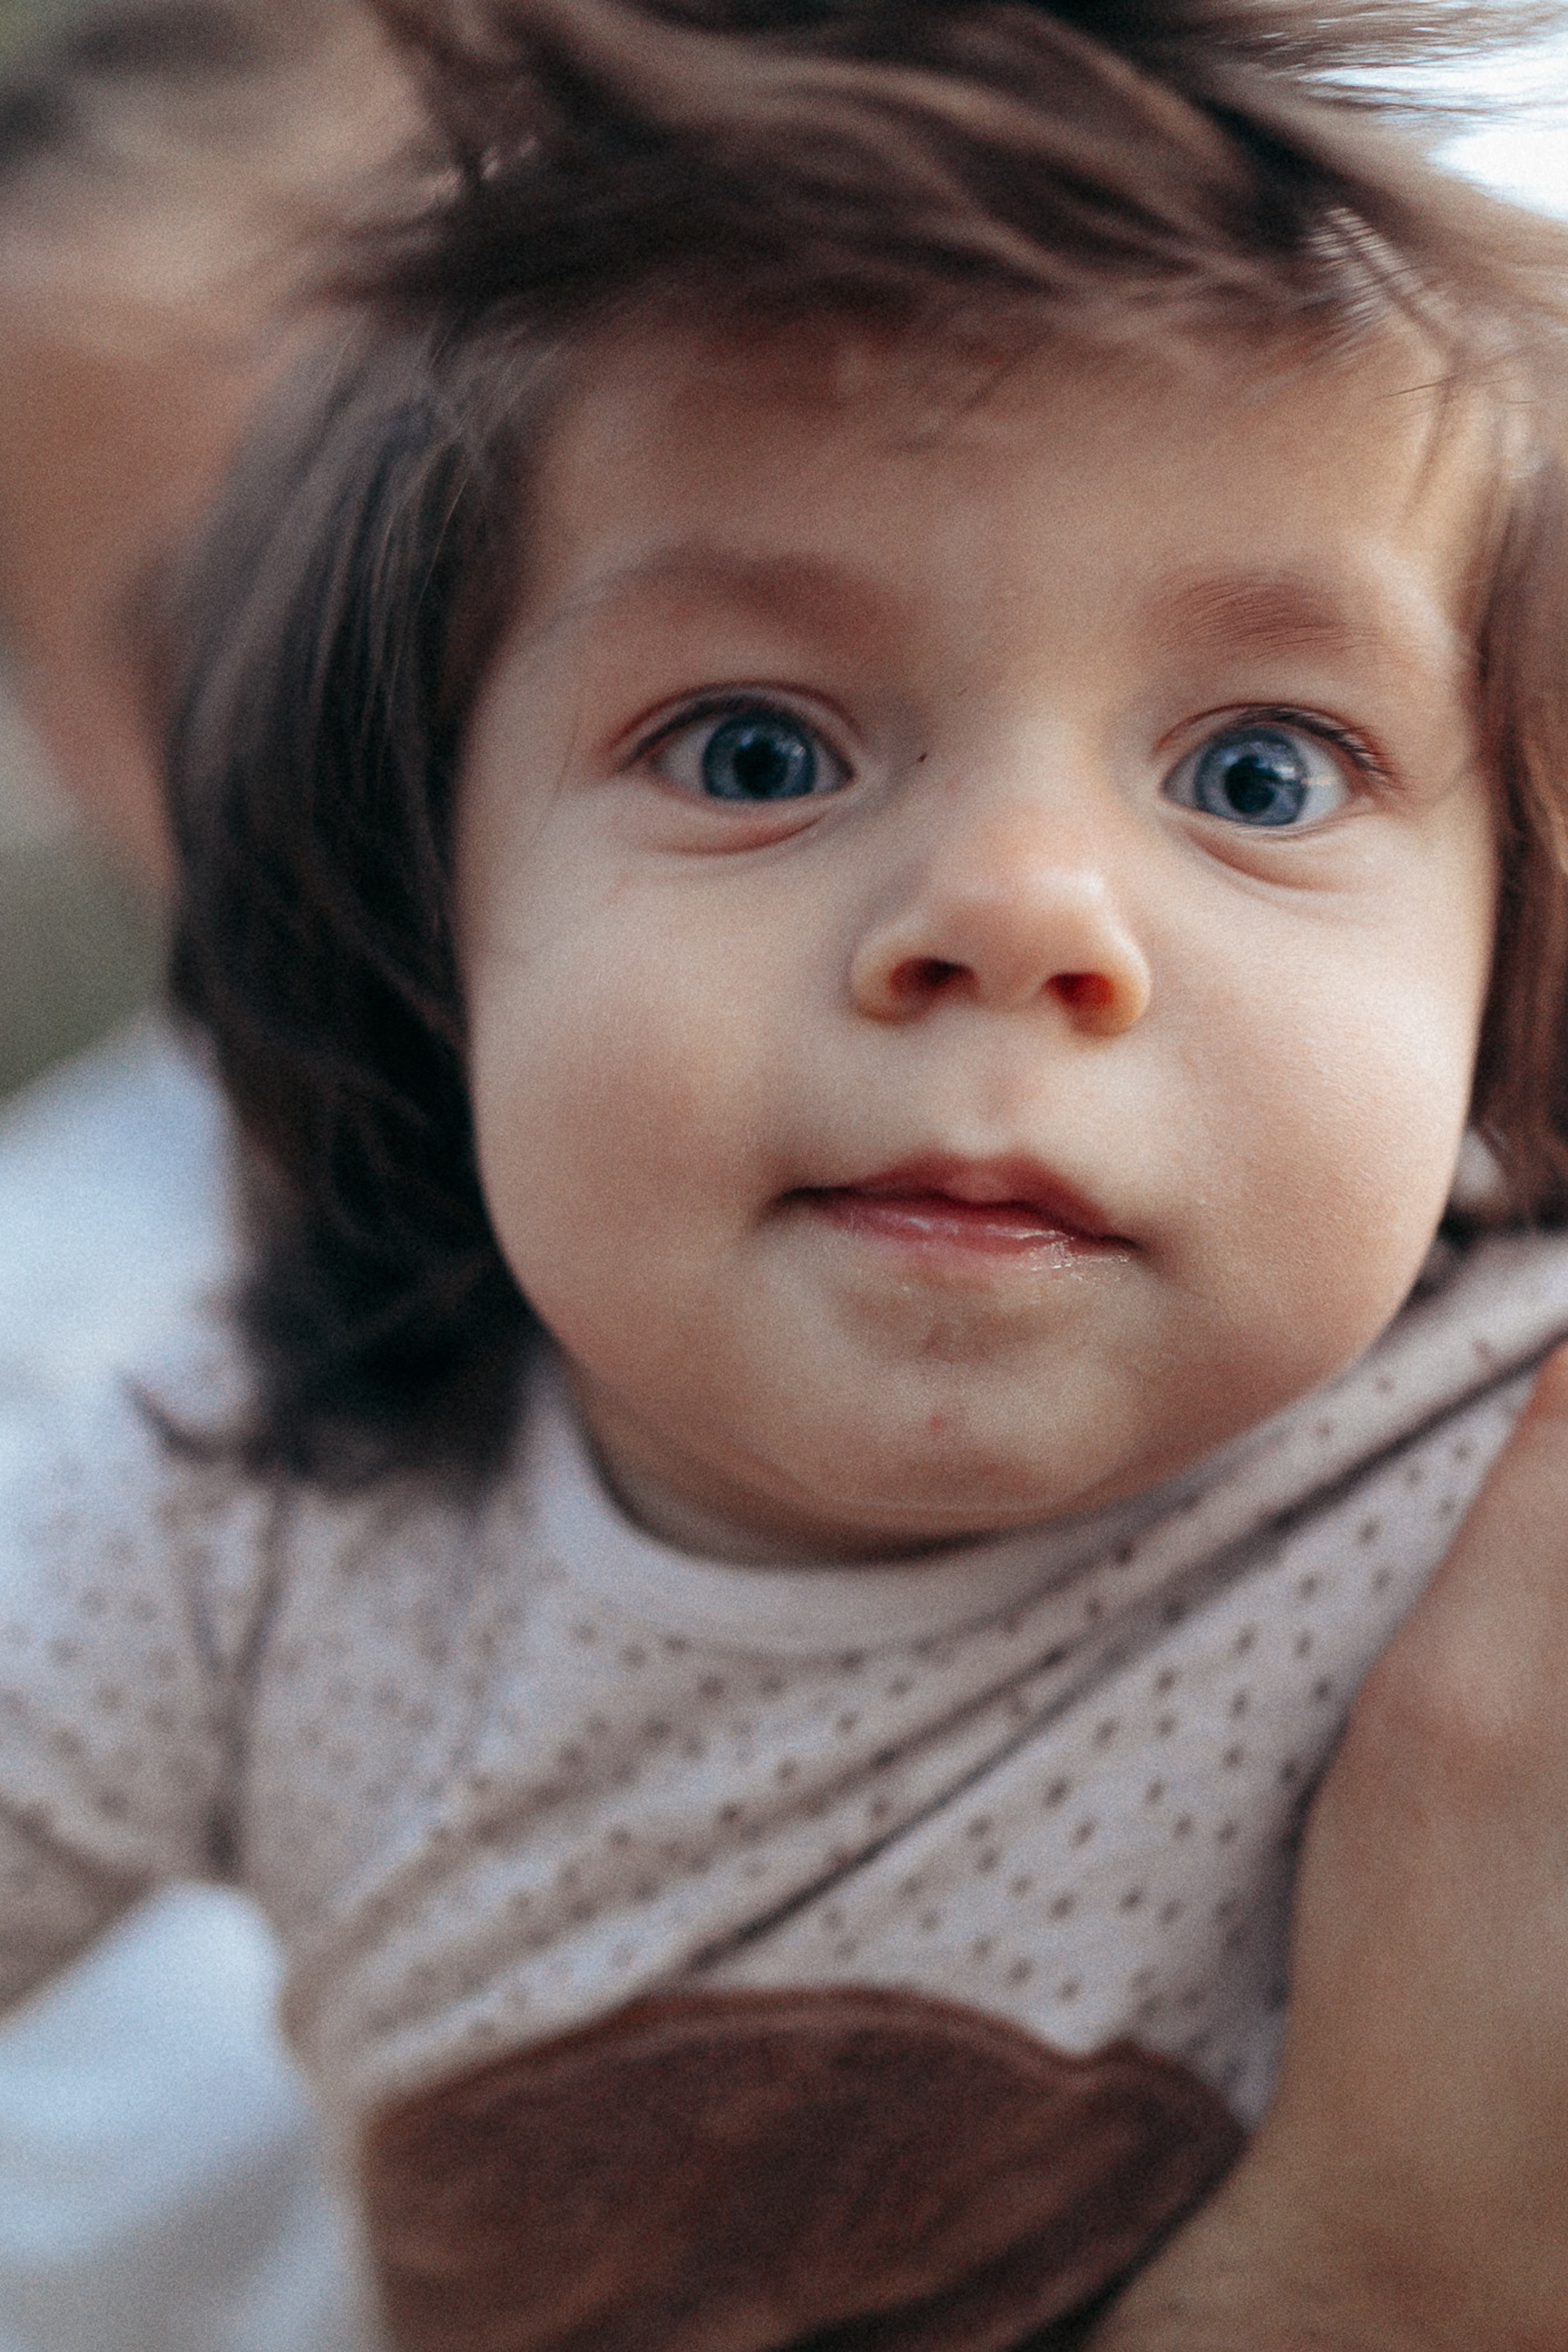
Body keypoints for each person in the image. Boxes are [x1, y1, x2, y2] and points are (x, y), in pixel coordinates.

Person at [7, 1, 1568, 2345]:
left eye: (1260, 772)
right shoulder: (246, 1518)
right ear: (421, 904)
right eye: (757, 748)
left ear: (1508, 974)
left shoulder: (1489, 1475)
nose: (1025, 913)